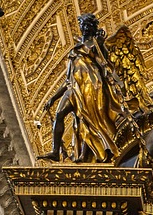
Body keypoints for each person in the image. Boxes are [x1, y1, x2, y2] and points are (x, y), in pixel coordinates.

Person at [40, 13, 124, 163]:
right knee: (59, 114)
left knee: (89, 121)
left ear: (92, 27)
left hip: (91, 87)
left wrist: (101, 44)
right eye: (82, 25)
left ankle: (95, 153)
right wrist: (53, 98)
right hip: (74, 88)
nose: (84, 28)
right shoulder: (74, 51)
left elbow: (107, 66)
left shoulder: (96, 44)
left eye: (87, 25)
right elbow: (67, 80)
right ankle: (55, 151)